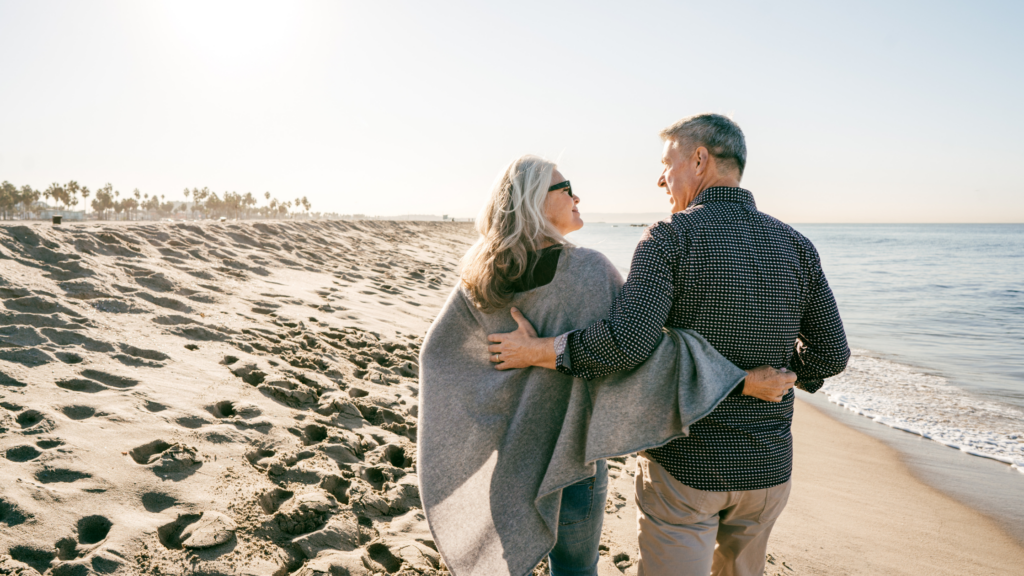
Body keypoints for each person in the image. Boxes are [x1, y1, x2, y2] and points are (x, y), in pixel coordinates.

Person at [486, 115, 850, 576]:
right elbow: (832, 355)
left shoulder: (670, 238)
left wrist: (540, 350)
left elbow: (625, 344)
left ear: (699, 160)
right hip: (768, 468)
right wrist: (786, 377)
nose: (661, 177)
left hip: (686, 466)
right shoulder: (797, 245)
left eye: (667, 163)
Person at [418, 154, 795, 576]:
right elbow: (642, 355)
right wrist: (741, 381)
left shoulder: (482, 274)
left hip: (507, 455)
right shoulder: (587, 271)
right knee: (575, 568)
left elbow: (440, 358)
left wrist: (488, 411)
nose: (577, 195)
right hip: (570, 453)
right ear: (534, 201)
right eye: (566, 188)